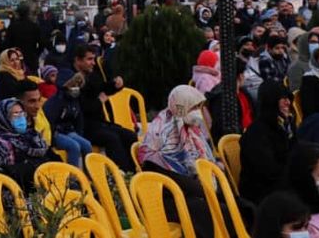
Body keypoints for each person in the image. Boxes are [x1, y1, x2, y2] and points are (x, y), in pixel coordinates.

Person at [138, 85, 226, 238]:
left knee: (234, 202)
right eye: (194, 107)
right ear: (181, 106)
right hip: (169, 197)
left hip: (189, 190)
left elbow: (203, 158)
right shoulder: (161, 135)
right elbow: (164, 175)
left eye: (199, 107)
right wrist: (204, 189)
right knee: (214, 210)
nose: (198, 112)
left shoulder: (189, 129)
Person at [73, 44, 138, 172]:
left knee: (130, 136)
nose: (93, 63)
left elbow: (102, 89)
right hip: (84, 126)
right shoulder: (72, 79)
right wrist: (99, 101)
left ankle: (134, 171)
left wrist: (116, 86)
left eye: (93, 59)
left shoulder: (92, 75)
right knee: (112, 138)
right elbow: (81, 107)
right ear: (78, 60)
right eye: (89, 59)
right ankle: (121, 174)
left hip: (99, 122)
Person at [239, 80, 296, 204]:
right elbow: (269, 172)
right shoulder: (256, 133)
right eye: (283, 99)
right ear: (271, 101)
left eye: (288, 98)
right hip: (263, 194)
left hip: (282, 184)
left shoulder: (286, 125)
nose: (288, 102)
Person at [0, 98, 51, 191]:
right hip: (24, 189)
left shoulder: (32, 135)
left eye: (22, 113)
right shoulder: (0, 143)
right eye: (15, 114)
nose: (20, 117)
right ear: (4, 118)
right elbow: (11, 172)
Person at [43, 71, 92, 168]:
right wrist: (52, 140)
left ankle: (89, 173)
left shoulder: (74, 100)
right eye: (73, 85)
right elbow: (49, 122)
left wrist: (79, 134)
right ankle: (73, 175)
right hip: (55, 133)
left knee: (87, 145)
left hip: (68, 131)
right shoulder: (55, 101)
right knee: (74, 146)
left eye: (78, 85)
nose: (76, 87)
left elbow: (78, 119)